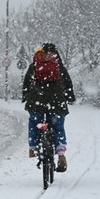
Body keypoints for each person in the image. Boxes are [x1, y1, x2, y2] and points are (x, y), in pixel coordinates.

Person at [21, 43, 75, 172]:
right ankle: (61, 154)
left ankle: (33, 147)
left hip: (37, 99)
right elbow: (67, 83)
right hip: (56, 100)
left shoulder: (35, 64)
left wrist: (26, 95)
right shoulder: (58, 66)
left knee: (34, 121)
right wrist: (69, 97)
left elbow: (27, 81)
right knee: (58, 126)